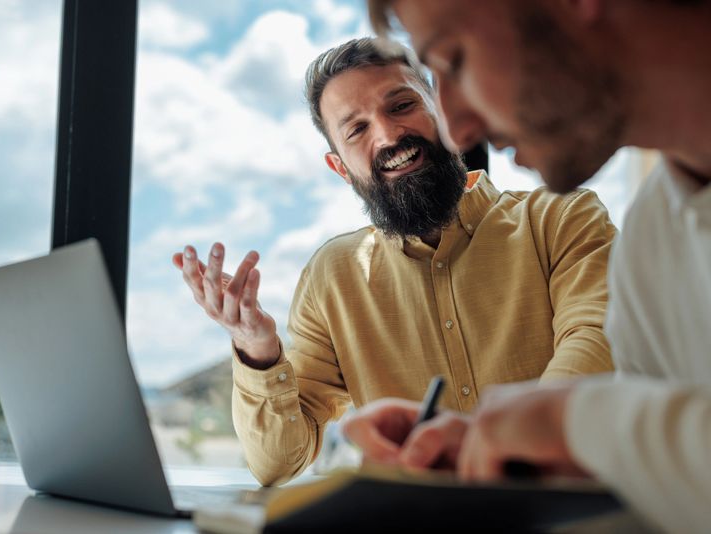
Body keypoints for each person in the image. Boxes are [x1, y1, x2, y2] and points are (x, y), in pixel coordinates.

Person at [173, 37, 616, 486]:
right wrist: (258, 351)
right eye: (357, 129)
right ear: (340, 168)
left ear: (443, 112)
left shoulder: (562, 219)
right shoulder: (332, 277)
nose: (387, 135)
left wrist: (489, 444)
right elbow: (277, 463)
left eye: (402, 106)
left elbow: (596, 346)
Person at [345, 1, 711, 531]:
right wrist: (501, 455)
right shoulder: (655, 239)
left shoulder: (590, 229)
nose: (456, 131)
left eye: (455, 60)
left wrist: (576, 424)